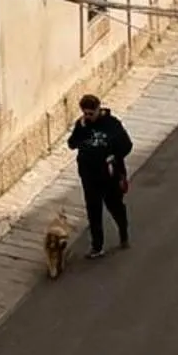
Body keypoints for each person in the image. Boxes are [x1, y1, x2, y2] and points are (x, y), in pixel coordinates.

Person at [65, 93, 133, 258]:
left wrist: (114, 157)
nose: (88, 117)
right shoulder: (82, 125)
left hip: (110, 176)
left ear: (98, 110)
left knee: (115, 207)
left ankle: (123, 234)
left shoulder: (112, 125)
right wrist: (80, 128)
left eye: (91, 113)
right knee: (93, 211)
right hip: (89, 176)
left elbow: (127, 145)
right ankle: (97, 246)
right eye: (85, 113)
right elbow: (72, 144)